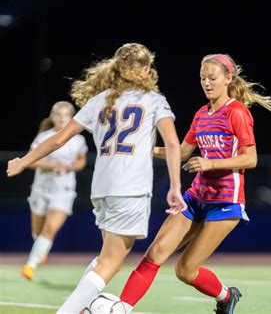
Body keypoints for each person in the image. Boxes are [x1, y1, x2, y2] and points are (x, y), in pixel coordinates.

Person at [7, 43, 186, 314]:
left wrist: (23, 161)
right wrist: (175, 186)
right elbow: (173, 144)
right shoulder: (153, 100)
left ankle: (79, 308)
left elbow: (57, 140)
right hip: (131, 189)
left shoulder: (99, 100)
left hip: (102, 189)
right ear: (148, 69)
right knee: (111, 262)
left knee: (105, 257)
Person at [118, 53, 271, 314]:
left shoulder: (238, 112)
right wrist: (143, 148)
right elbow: (180, 152)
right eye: (202, 78)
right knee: (154, 254)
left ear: (228, 78)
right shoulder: (202, 114)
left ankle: (226, 296)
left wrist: (209, 163)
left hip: (225, 203)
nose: (207, 83)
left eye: (212, 78)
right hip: (195, 198)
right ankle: (119, 309)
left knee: (185, 270)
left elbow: (251, 158)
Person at [21, 101, 88, 281]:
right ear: (52, 116)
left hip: (64, 190)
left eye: (65, 115)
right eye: (58, 114)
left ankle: (30, 265)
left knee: (50, 229)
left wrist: (72, 166)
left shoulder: (78, 139)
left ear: (71, 118)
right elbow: (30, 160)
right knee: (38, 229)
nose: (61, 118)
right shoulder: (44, 137)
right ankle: (40, 249)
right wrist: (52, 165)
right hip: (41, 187)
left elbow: (81, 162)